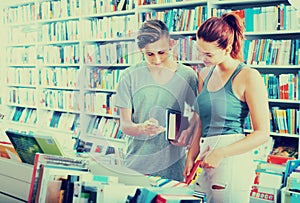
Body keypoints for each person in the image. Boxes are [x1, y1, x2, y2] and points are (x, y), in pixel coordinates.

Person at [183, 13, 270, 203]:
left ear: (227, 48)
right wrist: (191, 154)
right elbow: (200, 121)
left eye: (208, 54)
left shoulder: (248, 76)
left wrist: (221, 152)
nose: (202, 59)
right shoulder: (204, 75)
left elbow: (263, 133)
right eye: (200, 51)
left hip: (231, 158)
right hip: (204, 157)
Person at [115, 19, 198, 181]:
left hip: (173, 168)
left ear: (171, 44)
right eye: (150, 54)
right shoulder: (129, 76)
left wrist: (186, 134)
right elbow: (125, 125)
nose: (157, 60)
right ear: (141, 50)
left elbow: (195, 119)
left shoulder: (188, 76)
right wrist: (141, 128)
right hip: (136, 166)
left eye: (162, 53)